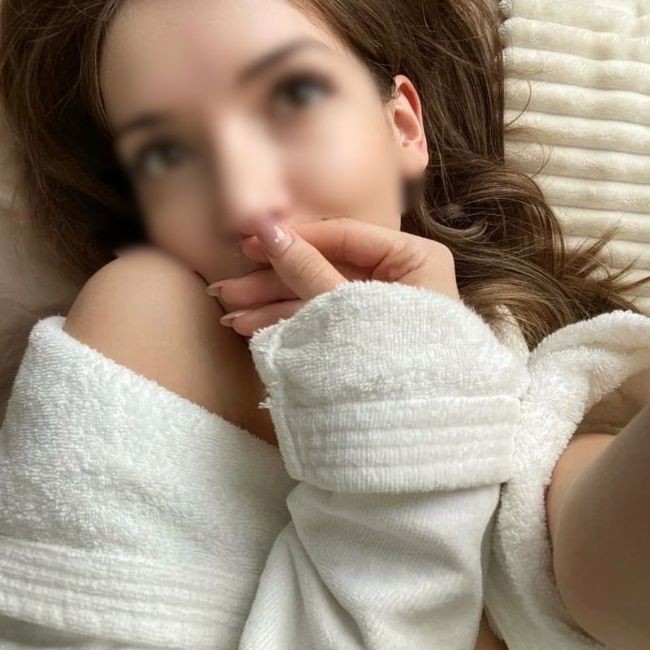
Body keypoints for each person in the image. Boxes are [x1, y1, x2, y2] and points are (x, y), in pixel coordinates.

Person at [0, 0, 649, 648]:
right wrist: (398, 405)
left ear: (403, 127)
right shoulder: (149, 320)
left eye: (293, 95)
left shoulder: (550, 399)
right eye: (167, 153)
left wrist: (415, 364)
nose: (246, 197)